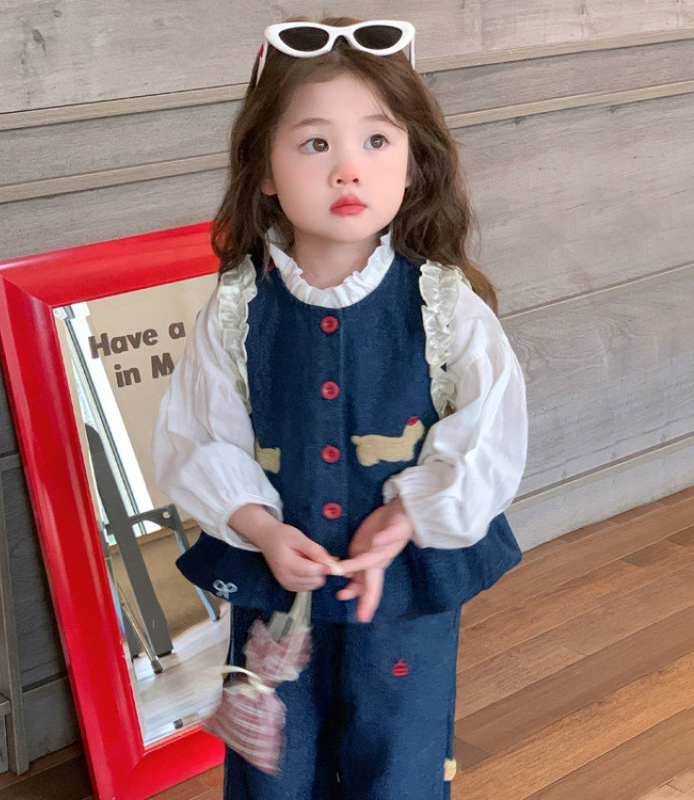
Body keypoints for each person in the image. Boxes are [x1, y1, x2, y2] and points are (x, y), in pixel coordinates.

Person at [153, 16, 528, 799]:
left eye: (377, 140)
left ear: (414, 162)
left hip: (403, 594)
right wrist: (261, 528)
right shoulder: (236, 311)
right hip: (272, 590)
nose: (348, 169)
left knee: (400, 756)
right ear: (264, 167)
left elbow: (487, 435)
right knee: (273, 768)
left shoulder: (445, 305)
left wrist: (404, 517)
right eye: (315, 143)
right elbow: (200, 441)